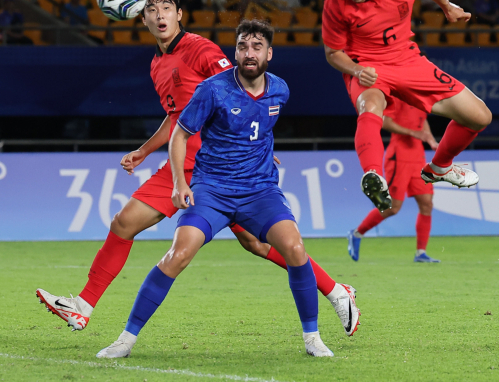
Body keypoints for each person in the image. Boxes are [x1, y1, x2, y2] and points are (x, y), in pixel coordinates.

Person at [36, 0, 360, 340]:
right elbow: (177, 117)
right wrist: (145, 150)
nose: (160, 16)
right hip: (186, 162)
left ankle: (335, 291)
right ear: (141, 18)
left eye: (166, 9)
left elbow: (237, 90)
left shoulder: (200, 49)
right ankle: (83, 307)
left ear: (179, 14)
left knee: (257, 243)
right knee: (134, 225)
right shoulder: (157, 65)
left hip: (215, 166)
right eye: (151, 10)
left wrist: (255, 143)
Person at [95, 19, 337, 359]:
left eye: (256, 47)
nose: (248, 54)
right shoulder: (212, 89)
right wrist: (180, 182)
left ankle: (312, 338)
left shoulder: (280, 90)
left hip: (259, 192)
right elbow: (180, 134)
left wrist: (265, 155)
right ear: (234, 51)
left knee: (295, 248)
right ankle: (126, 339)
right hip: (212, 190)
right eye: (242, 47)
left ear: (269, 52)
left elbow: (260, 129)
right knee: (177, 255)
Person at [321, 0, 491, 213]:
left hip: (408, 61)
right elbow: (332, 53)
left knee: (479, 116)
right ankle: (373, 175)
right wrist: (355, 69)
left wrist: (446, 6)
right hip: (367, 66)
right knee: (370, 105)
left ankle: (439, 167)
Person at [348, 97, 440, 263]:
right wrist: (412, 132)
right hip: (399, 157)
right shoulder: (397, 97)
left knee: (427, 202)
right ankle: (356, 233)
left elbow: (422, 122)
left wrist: (431, 140)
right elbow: (385, 122)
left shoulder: (420, 98)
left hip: (418, 157)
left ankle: (420, 252)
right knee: (392, 207)